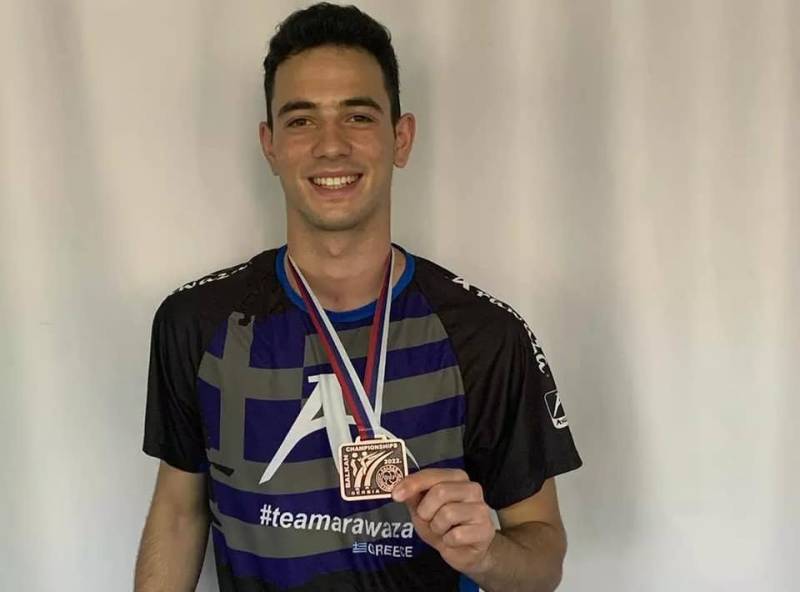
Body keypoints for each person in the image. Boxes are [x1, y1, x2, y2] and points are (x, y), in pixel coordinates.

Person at [134, 3, 582, 591]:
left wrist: (486, 554)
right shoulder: (197, 323)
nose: (331, 145)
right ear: (270, 145)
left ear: (401, 138)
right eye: (301, 120)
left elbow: (543, 557)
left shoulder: (485, 335)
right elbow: (178, 514)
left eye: (358, 116)